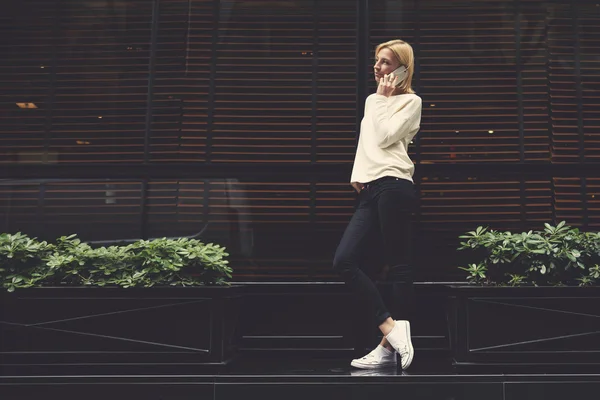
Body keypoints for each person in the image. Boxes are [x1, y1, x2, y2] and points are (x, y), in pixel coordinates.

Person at [333, 39, 422, 370]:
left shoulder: (410, 102)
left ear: (401, 69)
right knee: (344, 260)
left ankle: (387, 348)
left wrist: (385, 99)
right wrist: (358, 174)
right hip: (371, 188)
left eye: (385, 63)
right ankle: (391, 328)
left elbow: (385, 137)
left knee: (399, 266)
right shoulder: (374, 100)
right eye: (376, 61)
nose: (377, 67)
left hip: (395, 185)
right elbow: (368, 141)